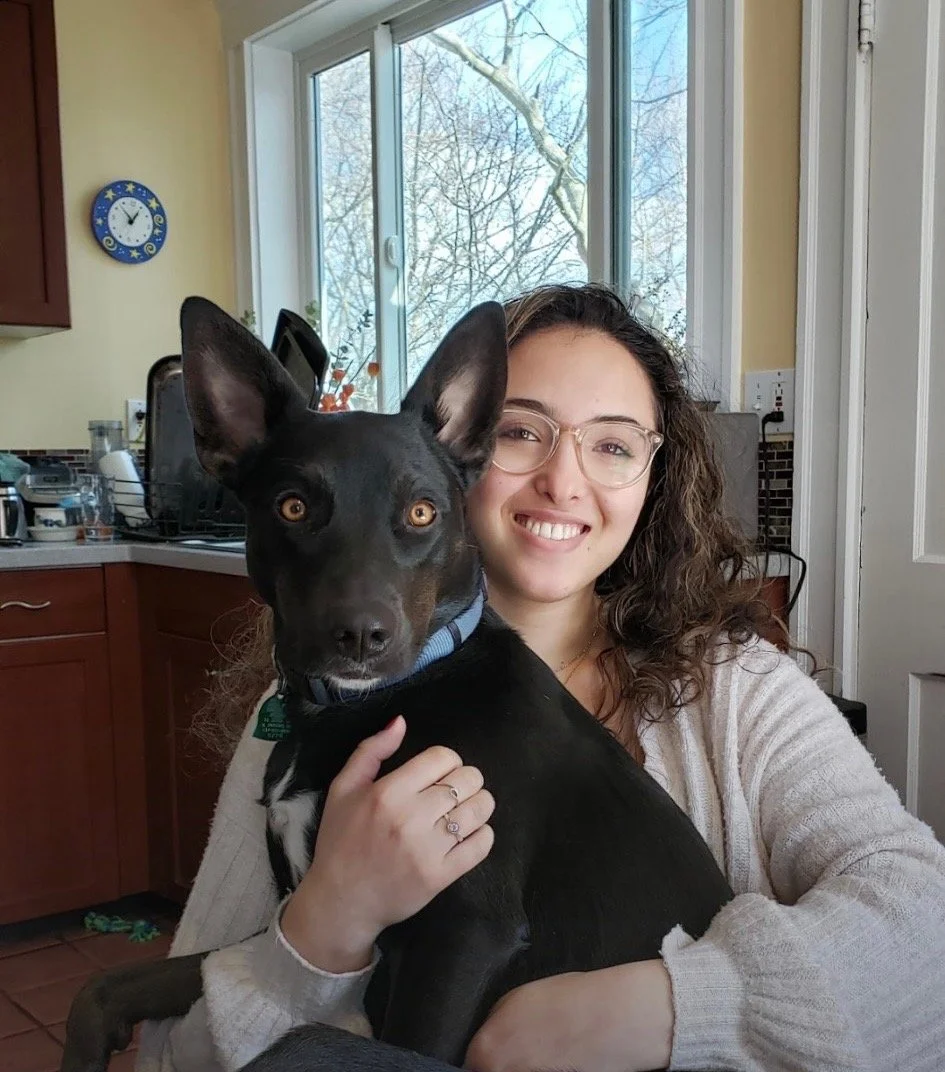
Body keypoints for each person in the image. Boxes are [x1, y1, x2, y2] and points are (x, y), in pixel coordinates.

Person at [137, 283, 945, 1072]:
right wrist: (324, 928)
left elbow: (925, 926)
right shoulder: (303, 710)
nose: (564, 481)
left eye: (612, 444)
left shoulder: (736, 692)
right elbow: (173, 1051)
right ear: (465, 451)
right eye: (524, 432)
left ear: (651, 482)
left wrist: (674, 1006)